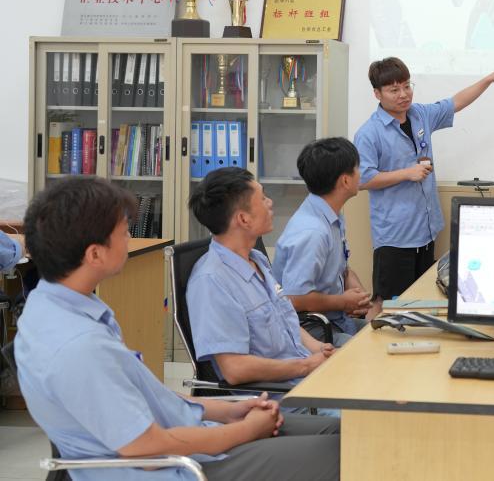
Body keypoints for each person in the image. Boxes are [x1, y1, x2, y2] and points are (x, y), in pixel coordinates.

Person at [15, 177, 339, 480]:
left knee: (343, 433)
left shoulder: (61, 305)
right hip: (177, 467)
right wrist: (245, 430)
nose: (129, 239)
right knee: (344, 453)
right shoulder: (79, 345)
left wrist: (228, 411)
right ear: (95, 253)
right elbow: (146, 449)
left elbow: (144, 396)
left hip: (193, 435)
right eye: (124, 232)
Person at [354, 57, 494, 306]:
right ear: (377, 94)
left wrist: (488, 79)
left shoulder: (420, 115)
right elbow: (363, 179)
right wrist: (406, 173)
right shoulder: (369, 133)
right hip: (395, 237)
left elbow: (456, 102)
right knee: (391, 305)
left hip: (426, 231)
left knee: (422, 301)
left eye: (406, 86)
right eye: (394, 90)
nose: (403, 94)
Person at [187, 167, 334, 393]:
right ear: (243, 219)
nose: (270, 202)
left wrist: (319, 349)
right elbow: (235, 369)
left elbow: (285, 321)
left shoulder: (257, 259)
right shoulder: (212, 281)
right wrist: (305, 366)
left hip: (306, 380)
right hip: (280, 398)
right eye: (263, 198)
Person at [273, 137, 375, 346]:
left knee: (383, 337)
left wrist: (355, 290)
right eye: (357, 168)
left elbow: (340, 268)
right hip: (309, 328)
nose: (361, 173)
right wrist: (343, 301)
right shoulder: (313, 232)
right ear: (345, 181)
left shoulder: (330, 213)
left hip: (335, 319)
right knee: (369, 353)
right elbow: (295, 298)